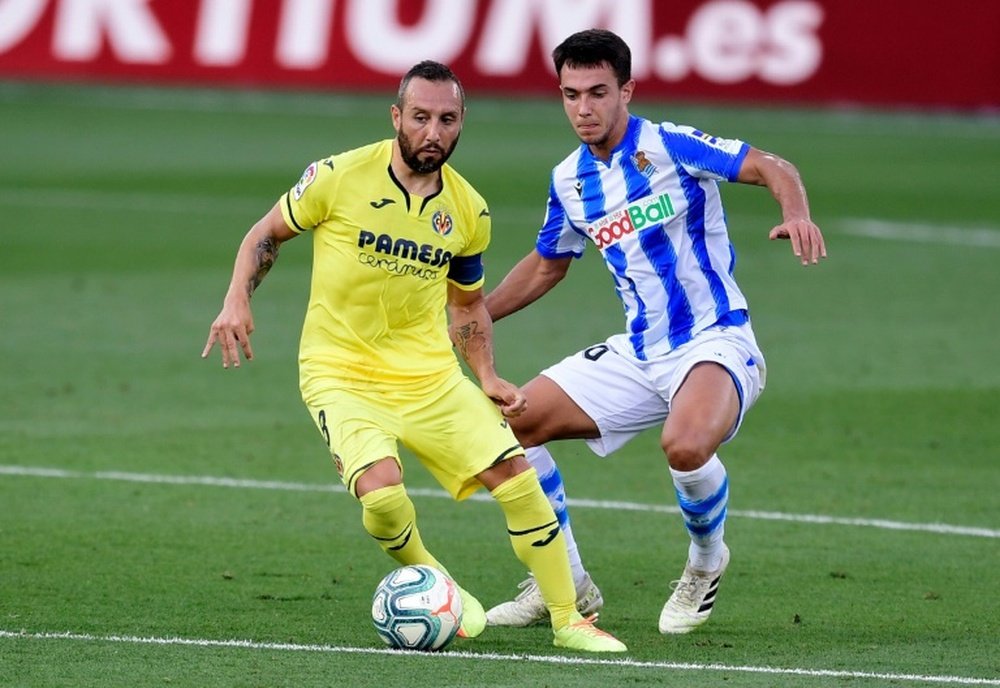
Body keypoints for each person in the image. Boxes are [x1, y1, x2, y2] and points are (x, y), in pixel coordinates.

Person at [201, 60, 626, 653]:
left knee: (516, 475)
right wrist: (236, 300)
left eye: (446, 119)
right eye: (420, 117)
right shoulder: (337, 175)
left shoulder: (469, 211)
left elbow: (467, 306)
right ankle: (439, 581)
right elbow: (265, 234)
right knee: (381, 494)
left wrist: (487, 376)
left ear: (461, 123)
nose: (433, 132)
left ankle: (567, 619)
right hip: (339, 372)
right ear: (397, 117)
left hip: (427, 374)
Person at [483, 30, 827, 634]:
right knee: (507, 426)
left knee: (686, 445)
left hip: (715, 340)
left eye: (597, 93)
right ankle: (565, 584)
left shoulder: (671, 145)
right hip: (638, 354)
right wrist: (477, 314)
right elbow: (548, 263)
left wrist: (794, 211)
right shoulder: (568, 181)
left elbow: (773, 166)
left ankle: (704, 562)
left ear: (627, 91)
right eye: (570, 95)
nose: (583, 109)